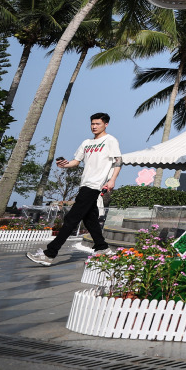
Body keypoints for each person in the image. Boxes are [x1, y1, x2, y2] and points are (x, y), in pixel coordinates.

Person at [26, 113, 121, 266]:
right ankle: (102, 247)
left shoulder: (110, 141)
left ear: (106, 124)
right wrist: (65, 164)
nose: (94, 126)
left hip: (95, 184)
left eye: (97, 123)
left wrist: (112, 180)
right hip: (84, 183)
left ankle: (49, 254)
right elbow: (76, 162)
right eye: (92, 124)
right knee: (90, 219)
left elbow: (118, 161)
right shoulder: (86, 142)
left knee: (71, 219)